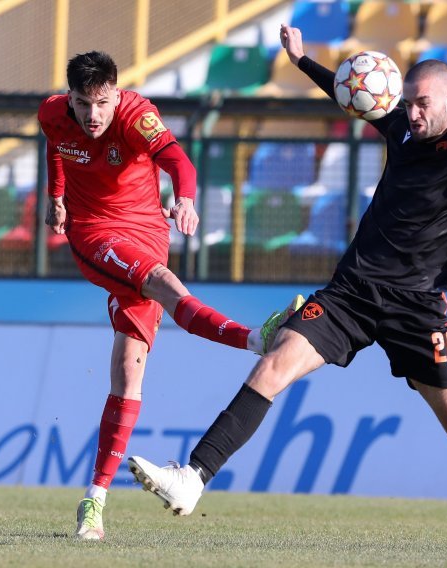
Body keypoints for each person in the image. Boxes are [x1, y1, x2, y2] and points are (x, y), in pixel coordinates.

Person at [127, 25, 447, 554]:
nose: (410, 113)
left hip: (418, 305)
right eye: (406, 103)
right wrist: (302, 61)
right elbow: (354, 95)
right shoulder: (403, 129)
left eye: (421, 104)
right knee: (274, 363)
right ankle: (193, 477)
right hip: (354, 290)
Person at [37, 50, 303, 541]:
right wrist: (56, 197)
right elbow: (56, 144)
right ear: (69, 98)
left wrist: (185, 198)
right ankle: (256, 338)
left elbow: (178, 160)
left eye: (100, 102)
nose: (92, 115)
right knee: (161, 284)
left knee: (127, 371)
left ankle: (92, 503)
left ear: (116, 92)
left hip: (148, 231)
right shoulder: (54, 113)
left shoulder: (137, 116)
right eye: (82, 103)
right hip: (94, 234)